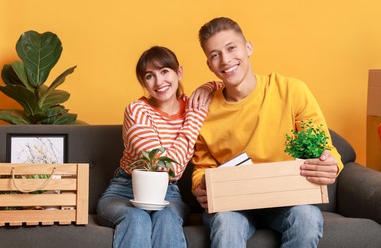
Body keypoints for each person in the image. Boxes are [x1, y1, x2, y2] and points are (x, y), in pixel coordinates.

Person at [191, 17, 345, 248]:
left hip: (288, 200)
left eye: (232, 48)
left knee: (308, 219)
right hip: (234, 203)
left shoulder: (291, 91)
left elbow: (324, 148)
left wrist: (331, 164)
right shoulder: (204, 110)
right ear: (209, 65)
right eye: (215, 55)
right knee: (226, 224)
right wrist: (199, 186)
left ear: (248, 48)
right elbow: (202, 166)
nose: (225, 59)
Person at [97, 46, 221, 248]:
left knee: (167, 218)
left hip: (169, 193)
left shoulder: (192, 104)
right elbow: (168, 168)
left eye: (165, 71)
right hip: (124, 190)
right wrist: (193, 118)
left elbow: (228, 85)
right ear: (144, 83)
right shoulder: (137, 111)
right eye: (149, 76)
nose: (159, 82)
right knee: (137, 218)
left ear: (178, 72)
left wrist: (206, 87)